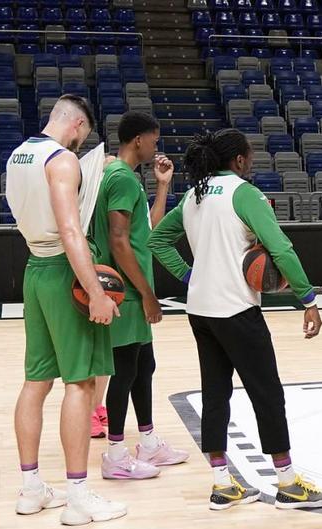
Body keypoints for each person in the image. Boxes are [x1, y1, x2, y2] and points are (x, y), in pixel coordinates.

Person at [148, 128, 322, 511]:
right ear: (238, 161)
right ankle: (287, 484)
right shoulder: (244, 193)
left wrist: (189, 275)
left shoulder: (193, 195)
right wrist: (308, 299)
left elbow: (156, 240)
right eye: (248, 157)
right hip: (236, 310)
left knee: (215, 394)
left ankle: (222, 483)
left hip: (200, 310)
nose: (251, 162)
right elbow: (281, 247)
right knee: (266, 392)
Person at [5, 94, 125, 524]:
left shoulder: (18, 155)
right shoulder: (62, 160)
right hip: (63, 270)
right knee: (81, 383)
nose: (81, 144)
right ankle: (78, 496)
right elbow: (72, 230)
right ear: (76, 124)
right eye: (83, 135)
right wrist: (93, 290)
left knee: (36, 381)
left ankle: (31, 489)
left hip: (34, 266)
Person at [89, 111, 188, 480]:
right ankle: (115, 453)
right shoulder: (121, 179)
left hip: (131, 289)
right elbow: (118, 241)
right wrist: (147, 293)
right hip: (126, 293)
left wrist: (162, 186)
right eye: (154, 140)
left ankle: (147, 443)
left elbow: (147, 232)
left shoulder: (123, 178)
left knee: (144, 366)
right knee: (125, 371)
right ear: (138, 141)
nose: (155, 147)